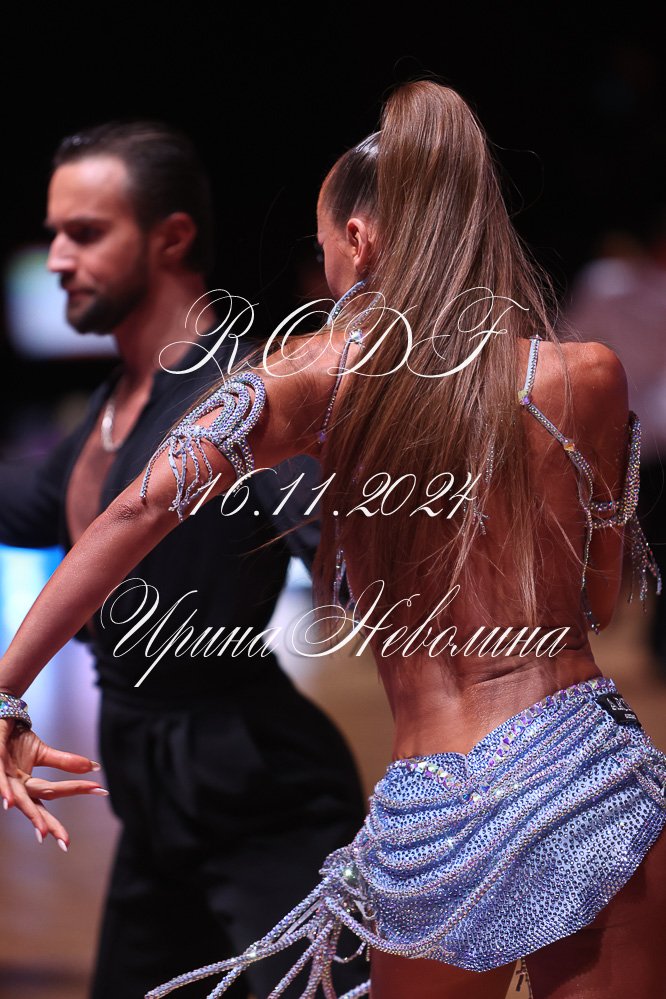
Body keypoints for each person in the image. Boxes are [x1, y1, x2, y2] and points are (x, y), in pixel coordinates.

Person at [1, 83, 665, 999]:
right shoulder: (588, 375)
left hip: (434, 818)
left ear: (358, 240)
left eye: (323, 252)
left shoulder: (312, 375)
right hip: (591, 779)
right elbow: (600, 599)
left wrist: (6, 690)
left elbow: (132, 515)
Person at [0, 121, 365, 999]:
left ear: (171, 237)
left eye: (85, 232)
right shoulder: (113, 404)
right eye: (54, 234)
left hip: (263, 798)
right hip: (153, 805)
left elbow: (351, 565)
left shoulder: (245, 397)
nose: (57, 258)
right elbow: (27, 505)